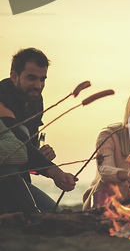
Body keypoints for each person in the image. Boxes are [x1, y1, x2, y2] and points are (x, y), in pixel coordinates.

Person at [0, 48, 76, 212]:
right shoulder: (2, 98)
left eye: (42, 79)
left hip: (20, 179)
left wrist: (40, 156)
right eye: (31, 78)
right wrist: (55, 172)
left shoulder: (35, 100)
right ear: (14, 76)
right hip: (4, 177)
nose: (38, 85)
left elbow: (28, 154)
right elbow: (19, 144)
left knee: (56, 214)